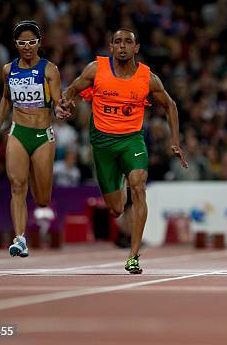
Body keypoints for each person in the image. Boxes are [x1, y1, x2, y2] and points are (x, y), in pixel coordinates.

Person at [61, 28, 188, 274]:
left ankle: (133, 255)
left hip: (132, 141)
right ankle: (118, 180)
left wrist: (175, 141)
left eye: (127, 42)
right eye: (117, 42)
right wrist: (65, 102)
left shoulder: (147, 77)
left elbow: (170, 105)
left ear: (136, 48)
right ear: (110, 47)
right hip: (103, 145)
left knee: (139, 185)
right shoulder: (96, 69)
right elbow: (73, 88)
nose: (122, 46)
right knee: (116, 209)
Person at [0, 20, 68, 257]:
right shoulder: (8, 70)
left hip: (42, 135)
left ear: (39, 43)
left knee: (42, 199)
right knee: (17, 186)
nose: (27, 47)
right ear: (16, 44)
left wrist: (60, 109)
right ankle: (20, 238)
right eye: (22, 43)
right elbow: (5, 98)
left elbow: (56, 100)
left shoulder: (49, 69)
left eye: (32, 42)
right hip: (18, 132)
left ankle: (35, 176)